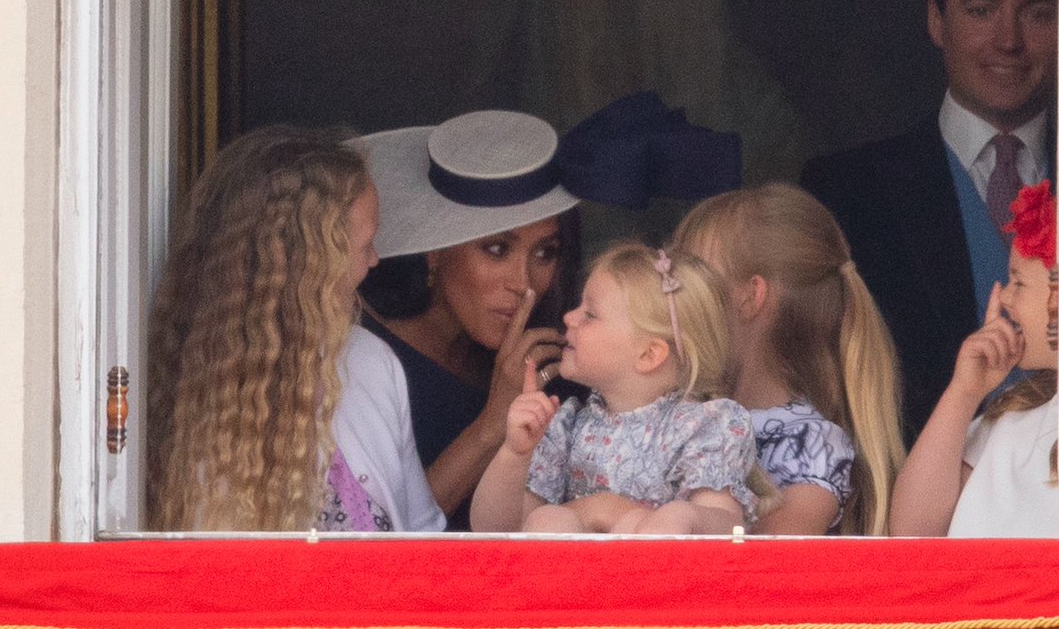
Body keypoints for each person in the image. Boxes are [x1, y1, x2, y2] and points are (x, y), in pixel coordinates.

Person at [353, 98, 743, 529]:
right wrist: (494, 426)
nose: (525, 283)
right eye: (497, 249)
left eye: (545, 252)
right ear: (435, 252)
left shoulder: (568, 364)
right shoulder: (363, 360)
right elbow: (389, 531)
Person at [800, 0, 1058, 441]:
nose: (1009, 40)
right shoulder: (846, 192)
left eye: (1037, 13)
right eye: (982, 11)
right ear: (936, 21)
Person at [146, 125, 444, 533]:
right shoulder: (205, 394)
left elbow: (422, 534)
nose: (374, 261)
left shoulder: (370, 360)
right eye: (364, 245)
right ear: (309, 262)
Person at [470, 243, 765, 534]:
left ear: (649, 355)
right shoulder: (566, 425)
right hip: (576, 581)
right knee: (546, 521)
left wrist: (686, 516)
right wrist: (515, 454)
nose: (568, 317)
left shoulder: (704, 426)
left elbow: (730, 528)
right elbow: (495, 530)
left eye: (590, 314)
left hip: (663, 580)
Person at [672, 184, 905, 536]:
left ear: (750, 297)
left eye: (690, 282)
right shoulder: (681, 412)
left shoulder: (808, 441)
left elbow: (763, 564)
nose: (668, 299)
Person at [889, 181, 1058, 538]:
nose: (1005, 299)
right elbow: (913, 531)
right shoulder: (1011, 420)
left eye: (1018, 283)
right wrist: (965, 392)